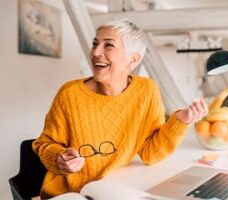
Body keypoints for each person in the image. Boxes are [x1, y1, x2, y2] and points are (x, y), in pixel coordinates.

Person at [33, 19, 208, 199]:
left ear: (133, 59)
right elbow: (44, 144)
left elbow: (151, 154)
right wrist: (60, 157)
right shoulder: (69, 94)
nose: (96, 52)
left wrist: (181, 120)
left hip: (114, 188)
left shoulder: (146, 90)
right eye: (95, 44)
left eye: (108, 45)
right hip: (69, 192)